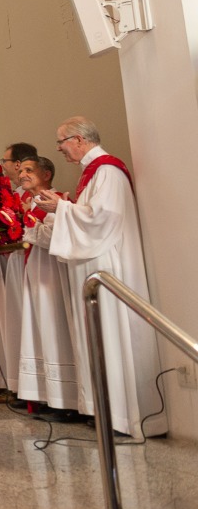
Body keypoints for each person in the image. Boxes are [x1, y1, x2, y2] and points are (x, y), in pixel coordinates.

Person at [32, 117, 166, 438]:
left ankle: (121, 415)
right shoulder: (93, 173)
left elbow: (102, 219)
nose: (59, 149)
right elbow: (87, 216)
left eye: (61, 142)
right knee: (96, 337)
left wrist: (61, 207)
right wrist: (60, 210)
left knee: (110, 334)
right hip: (93, 263)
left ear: (79, 140)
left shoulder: (107, 171)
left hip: (108, 264)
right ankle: (103, 410)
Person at [16, 156, 79, 418]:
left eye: (29, 170)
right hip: (35, 270)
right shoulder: (30, 203)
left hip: (52, 273)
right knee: (39, 329)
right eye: (20, 171)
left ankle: (66, 400)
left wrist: (26, 224)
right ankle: (45, 395)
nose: (22, 175)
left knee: (55, 327)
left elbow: (56, 236)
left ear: (47, 174)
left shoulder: (56, 201)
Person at [0, 141, 38, 399]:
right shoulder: (11, 194)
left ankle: (18, 383)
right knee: (5, 323)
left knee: (19, 322)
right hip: (4, 265)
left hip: (23, 265)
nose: (1, 165)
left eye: (4, 160)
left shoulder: (31, 197)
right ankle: (2, 377)